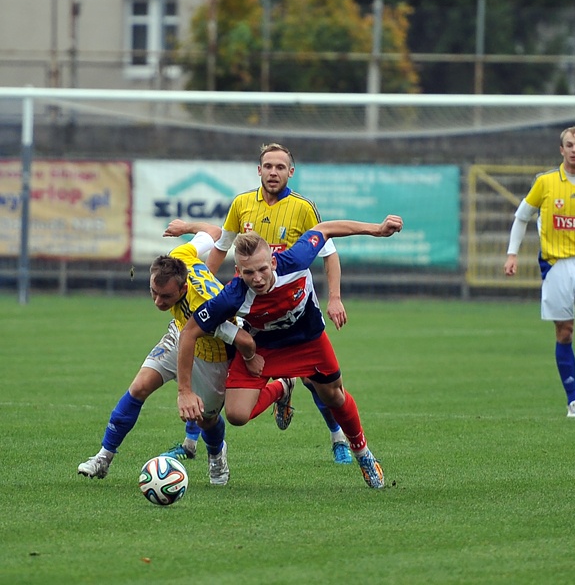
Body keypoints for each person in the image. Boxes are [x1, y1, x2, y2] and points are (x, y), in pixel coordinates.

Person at [176, 216, 403, 489]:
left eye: (262, 269)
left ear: (273, 261)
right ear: (237, 270)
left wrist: (376, 230)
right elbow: (189, 333)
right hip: (264, 349)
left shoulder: (295, 260)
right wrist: (184, 391)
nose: (257, 279)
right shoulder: (232, 295)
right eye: (248, 273)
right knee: (236, 415)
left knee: (334, 396)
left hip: (307, 341)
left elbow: (325, 229)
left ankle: (363, 453)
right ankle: (282, 386)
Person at [167, 142, 354, 465]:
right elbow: (221, 247)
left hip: (292, 311)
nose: (273, 172)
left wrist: (334, 297)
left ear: (290, 172)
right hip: (252, 309)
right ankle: (191, 440)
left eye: (280, 167)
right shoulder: (241, 205)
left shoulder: (302, 208)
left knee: (316, 379)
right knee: (215, 361)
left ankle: (338, 437)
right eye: (268, 166)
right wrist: (203, 293)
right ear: (259, 170)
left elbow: (328, 253)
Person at [77, 221, 257, 485]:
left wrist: (249, 359)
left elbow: (241, 338)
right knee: (138, 388)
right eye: (154, 292)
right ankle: (103, 458)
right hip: (180, 334)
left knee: (206, 420)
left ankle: (217, 454)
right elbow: (215, 234)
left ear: (183, 289)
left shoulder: (209, 304)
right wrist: (187, 226)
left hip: (212, 354)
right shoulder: (179, 258)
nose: (158, 301)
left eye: (166, 297)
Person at [503, 126, 575, 418]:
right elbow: (521, 218)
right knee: (564, 332)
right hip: (556, 265)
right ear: (561, 149)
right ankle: (572, 400)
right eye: (568, 145)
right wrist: (512, 254)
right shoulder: (545, 183)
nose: (574, 150)